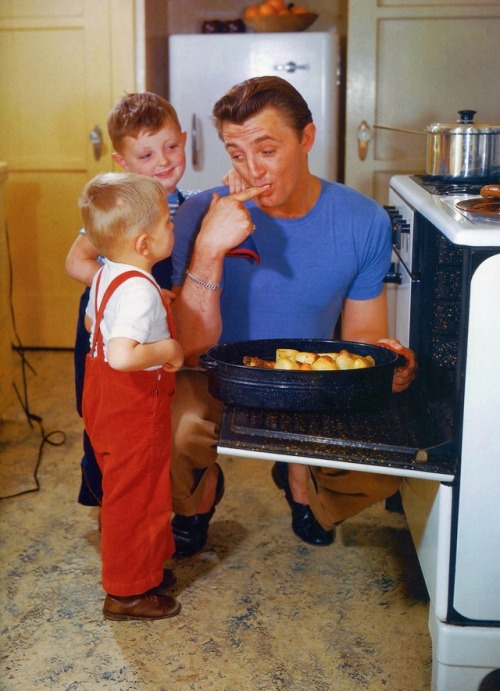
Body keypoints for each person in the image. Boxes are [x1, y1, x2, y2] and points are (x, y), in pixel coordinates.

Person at [168, 76, 417, 556]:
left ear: (306, 138)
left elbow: (363, 336)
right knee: (172, 432)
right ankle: (195, 501)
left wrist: (389, 364)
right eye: (236, 154)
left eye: (266, 150)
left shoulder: (364, 220)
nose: (251, 169)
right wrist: (209, 248)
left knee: (382, 462)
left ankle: (300, 476)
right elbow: (193, 350)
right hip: (216, 373)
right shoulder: (201, 212)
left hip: (309, 380)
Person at [65, 92, 199, 507]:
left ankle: (152, 501)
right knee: (105, 415)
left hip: (155, 334)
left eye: (171, 146)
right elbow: (76, 261)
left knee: (152, 419)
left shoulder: (190, 204)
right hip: (111, 328)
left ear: (184, 140)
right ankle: (107, 497)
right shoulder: (120, 206)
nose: (163, 162)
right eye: (145, 155)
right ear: (121, 162)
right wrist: (129, 286)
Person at [79, 171, 183, 621]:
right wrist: (168, 348)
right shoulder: (139, 288)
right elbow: (124, 356)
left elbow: (91, 326)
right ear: (145, 243)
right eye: (167, 223)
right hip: (134, 404)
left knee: (134, 488)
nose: (173, 228)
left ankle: (146, 568)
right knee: (135, 497)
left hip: (101, 398)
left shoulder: (107, 274)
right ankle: (126, 593)